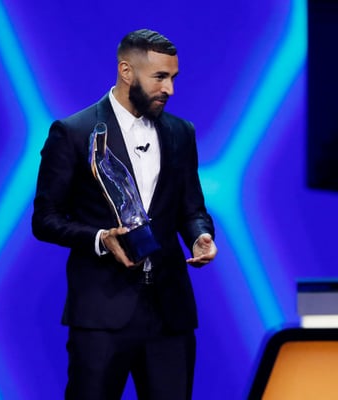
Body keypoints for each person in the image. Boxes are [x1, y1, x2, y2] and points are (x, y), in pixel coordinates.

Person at [32, 29, 217, 399]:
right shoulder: (74, 132)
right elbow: (45, 219)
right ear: (126, 71)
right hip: (101, 315)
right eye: (160, 77)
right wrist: (101, 239)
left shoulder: (181, 132)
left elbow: (191, 207)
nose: (169, 89)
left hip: (169, 312)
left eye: (173, 78)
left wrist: (200, 234)